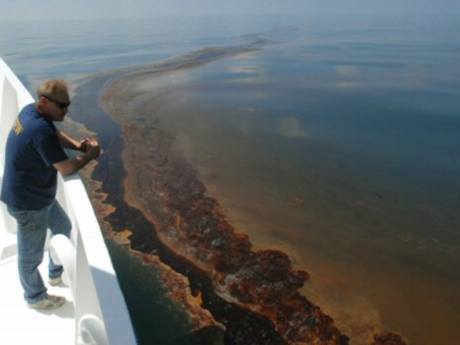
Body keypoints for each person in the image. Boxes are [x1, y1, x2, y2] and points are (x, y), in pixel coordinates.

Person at [0, 79, 101, 310]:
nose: (66, 110)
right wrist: (91, 155)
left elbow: (53, 135)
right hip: (28, 203)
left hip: (36, 195)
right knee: (30, 256)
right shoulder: (38, 129)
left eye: (68, 105)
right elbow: (66, 168)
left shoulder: (32, 113)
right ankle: (35, 297)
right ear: (44, 102)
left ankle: (55, 273)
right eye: (62, 106)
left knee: (63, 227)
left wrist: (78, 146)